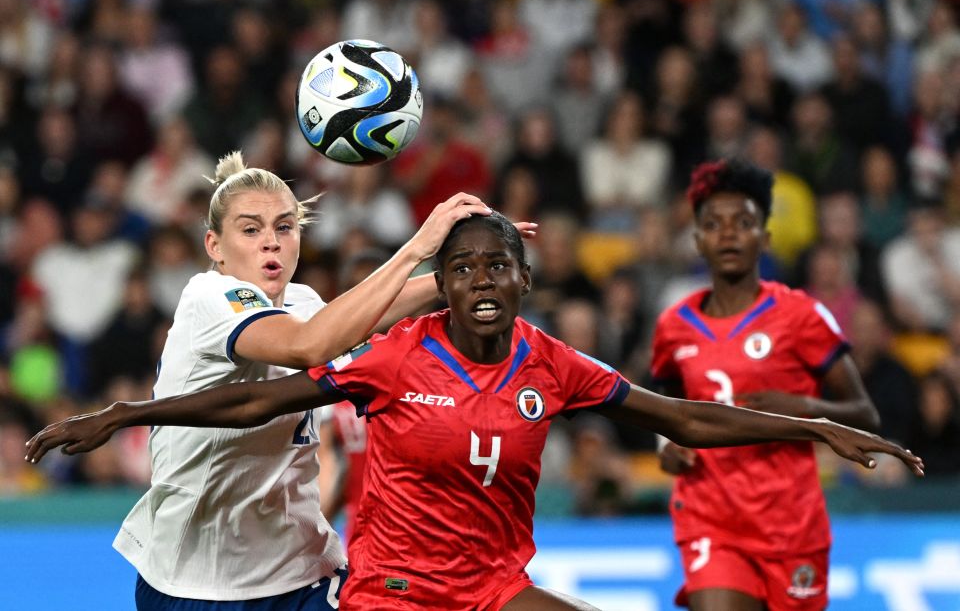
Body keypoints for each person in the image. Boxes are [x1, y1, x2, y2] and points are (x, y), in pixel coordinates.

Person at [26, 212, 923, 611]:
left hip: (491, 587)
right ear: (442, 287)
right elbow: (265, 394)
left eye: (497, 266)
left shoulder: (553, 362)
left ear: (523, 280)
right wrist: (128, 412)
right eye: (462, 269)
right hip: (393, 592)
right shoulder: (393, 355)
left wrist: (815, 426)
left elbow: (682, 418)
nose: (482, 280)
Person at [38, 149, 495, 611]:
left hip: (300, 570)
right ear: (214, 246)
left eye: (284, 227)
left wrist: (465, 275)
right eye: (251, 229)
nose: (271, 242)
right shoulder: (210, 297)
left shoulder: (302, 301)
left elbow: (363, 319)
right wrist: (417, 250)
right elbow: (309, 345)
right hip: (200, 582)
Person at [651, 159, 885, 611]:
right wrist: (666, 446)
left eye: (743, 223)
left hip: (790, 522)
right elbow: (663, 403)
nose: (728, 234)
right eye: (713, 224)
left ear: (766, 238)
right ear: (697, 241)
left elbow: (865, 414)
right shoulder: (673, 326)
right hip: (710, 515)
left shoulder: (802, 316)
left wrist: (802, 406)